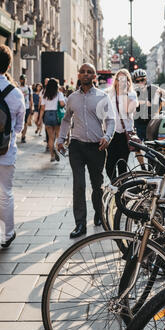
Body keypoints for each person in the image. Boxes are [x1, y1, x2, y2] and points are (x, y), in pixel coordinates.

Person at [57, 63, 115, 239]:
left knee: (97, 185)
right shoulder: (72, 98)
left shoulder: (102, 96)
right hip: (77, 146)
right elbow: (66, 119)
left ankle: (99, 212)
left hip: (96, 147)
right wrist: (61, 139)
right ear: (79, 75)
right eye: (82, 71)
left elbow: (111, 120)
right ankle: (80, 224)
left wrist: (108, 136)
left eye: (89, 72)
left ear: (94, 76)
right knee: (79, 185)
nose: (86, 74)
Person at [0, 45, 25, 248]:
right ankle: (8, 234)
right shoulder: (16, 94)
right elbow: (18, 128)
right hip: (5, 151)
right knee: (6, 192)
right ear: (9, 65)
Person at [106, 69, 138, 181]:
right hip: (112, 133)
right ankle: (115, 185)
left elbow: (128, 110)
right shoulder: (110, 94)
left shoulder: (132, 95)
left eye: (125, 79)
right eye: (119, 79)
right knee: (109, 165)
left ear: (128, 81)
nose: (121, 82)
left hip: (125, 134)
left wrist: (124, 93)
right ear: (116, 81)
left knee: (122, 165)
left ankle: (121, 191)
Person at [133, 69, 165, 141]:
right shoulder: (134, 92)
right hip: (139, 124)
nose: (140, 82)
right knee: (138, 147)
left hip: (152, 123)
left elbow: (160, 103)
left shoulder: (154, 89)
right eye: (137, 81)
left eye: (142, 80)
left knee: (153, 146)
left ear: (146, 79)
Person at [38, 78, 66, 163]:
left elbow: (42, 108)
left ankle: (52, 155)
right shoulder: (59, 94)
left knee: (50, 137)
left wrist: (40, 120)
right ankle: (57, 150)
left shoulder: (44, 94)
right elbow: (62, 104)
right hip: (56, 115)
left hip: (47, 115)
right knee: (58, 135)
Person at [19, 74, 33, 143]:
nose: (23, 80)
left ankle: (23, 136)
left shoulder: (28, 88)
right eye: (22, 79)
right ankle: (22, 132)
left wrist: (31, 107)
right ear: (20, 80)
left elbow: (31, 98)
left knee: (25, 123)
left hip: (26, 107)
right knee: (20, 122)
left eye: (24, 79)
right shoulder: (18, 88)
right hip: (19, 107)